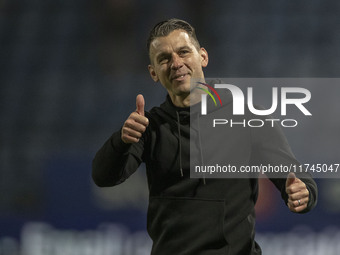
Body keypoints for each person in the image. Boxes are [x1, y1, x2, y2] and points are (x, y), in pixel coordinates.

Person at [92, 18, 318, 255]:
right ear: (154, 73)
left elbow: (297, 179)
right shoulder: (150, 127)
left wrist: (303, 194)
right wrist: (122, 141)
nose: (176, 63)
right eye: (164, 59)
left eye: (183, 52)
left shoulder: (248, 116)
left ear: (203, 57)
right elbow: (103, 176)